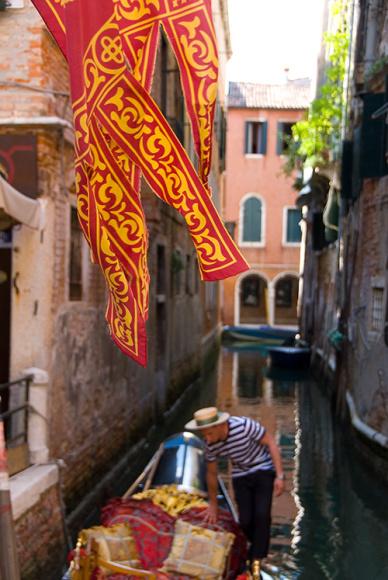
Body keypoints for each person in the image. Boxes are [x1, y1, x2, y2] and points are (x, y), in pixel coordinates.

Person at [185, 406, 285, 579]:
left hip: (262, 469)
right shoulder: (211, 445)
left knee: (261, 515)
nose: (206, 439)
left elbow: (271, 442)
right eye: (204, 435)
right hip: (240, 475)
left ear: (218, 426)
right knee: (245, 521)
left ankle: (256, 559)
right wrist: (213, 504)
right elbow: (211, 473)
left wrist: (280, 476)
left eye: (208, 433)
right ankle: (251, 549)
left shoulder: (245, 426)